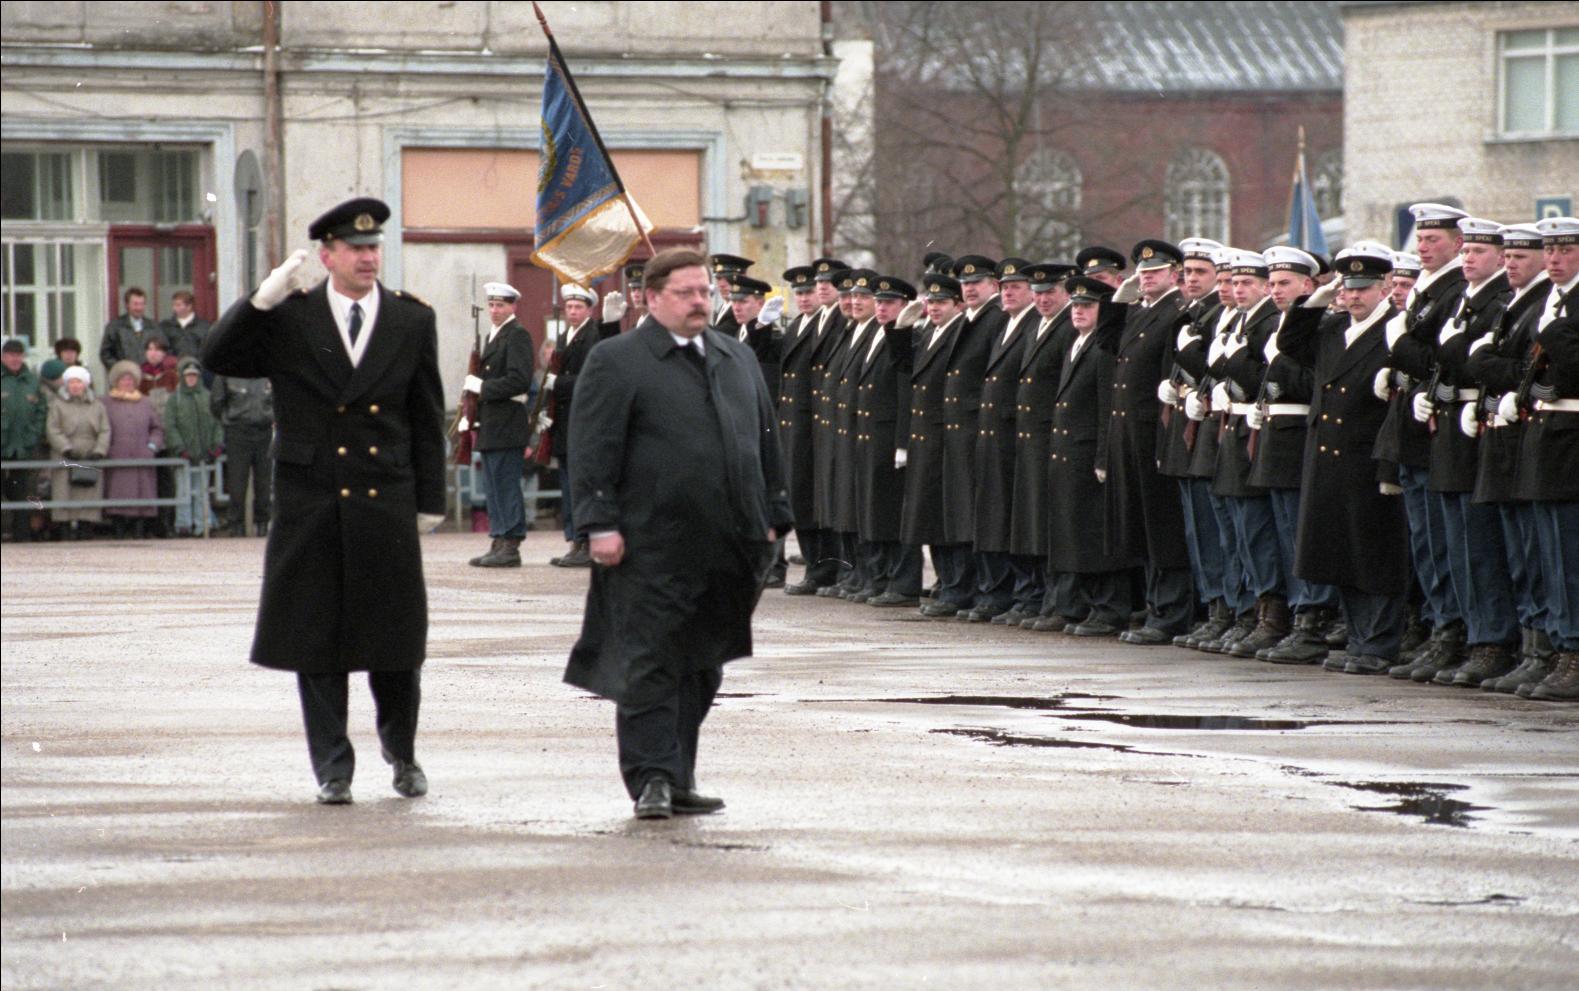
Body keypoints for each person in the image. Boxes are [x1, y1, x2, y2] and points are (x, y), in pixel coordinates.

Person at [202, 196, 447, 804]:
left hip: (383, 498)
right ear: (327, 255)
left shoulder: (410, 319)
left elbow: (424, 414)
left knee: (395, 644)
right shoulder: (292, 317)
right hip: (312, 500)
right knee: (317, 643)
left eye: (374, 248)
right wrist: (260, 301)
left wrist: (430, 498)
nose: (368, 257)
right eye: (355, 248)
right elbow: (218, 358)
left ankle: (402, 753)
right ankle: (333, 768)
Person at [565, 247, 792, 819]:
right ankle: (652, 779)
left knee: (703, 663)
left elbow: (765, 439)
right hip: (648, 542)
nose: (699, 302)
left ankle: (678, 774)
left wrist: (774, 514)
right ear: (651, 297)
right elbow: (591, 447)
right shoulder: (618, 359)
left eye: (705, 292)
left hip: (729, 541)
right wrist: (598, 523)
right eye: (686, 292)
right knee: (651, 662)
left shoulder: (734, 356)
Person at [1276, 243, 1410, 675]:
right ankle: (1357, 639)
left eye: (1363, 289)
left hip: (1368, 454)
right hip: (1329, 457)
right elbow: (1289, 344)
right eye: (1348, 289)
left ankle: (1380, 642)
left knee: (1376, 554)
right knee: (1341, 553)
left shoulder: (1394, 328)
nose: (1354, 297)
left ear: (1384, 287)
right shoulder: (1333, 328)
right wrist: (1313, 301)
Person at [546, 283, 619, 568]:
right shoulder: (565, 336)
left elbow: (593, 379)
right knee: (567, 484)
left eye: (578, 307)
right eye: (569, 307)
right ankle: (574, 540)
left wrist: (559, 384)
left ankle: (585, 541)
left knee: (581, 484)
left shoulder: (592, 335)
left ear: (589, 310)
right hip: (564, 421)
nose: (573, 311)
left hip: (583, 419)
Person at [463, 281, 536, 568]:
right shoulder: (494, 336)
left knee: (505, 485)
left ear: (512, 306)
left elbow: (519, 380)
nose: (494, 310)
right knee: (493, 487)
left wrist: (483, 387)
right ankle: (499, 538)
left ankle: (510, 544)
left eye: (500, 305)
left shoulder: (517, 335)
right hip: (492, 423)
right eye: (492, 305)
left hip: (506, 423)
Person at [46, 366, 110, 539]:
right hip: (65, 454)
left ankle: (86, 528)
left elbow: (105, 430)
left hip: (90, 453)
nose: (75, 386)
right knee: (63, 491)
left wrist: (99, 450)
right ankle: (64, 529)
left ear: (85, 384)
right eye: (72, 382)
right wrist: (65, 448)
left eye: (78, 382)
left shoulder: (97, 405)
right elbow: (52, 429)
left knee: (88, 491)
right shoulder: (57, 404)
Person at [102, 359, 164, 538]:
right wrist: (107, 448)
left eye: (130, 379)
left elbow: (157, 428)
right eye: (123, 379)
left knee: (141, 496)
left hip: (141, 457)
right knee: (117, 496)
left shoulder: (146, 402)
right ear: (116, 381)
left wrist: (151, 446)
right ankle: (119, 531)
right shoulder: (106, 402)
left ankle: (139, 531)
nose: (127, 382)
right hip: (116, 457)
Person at [163, 357, 222, 536]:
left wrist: (216, 445)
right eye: (188, 375)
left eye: (194, 375)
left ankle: (203, 525)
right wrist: (179, 448)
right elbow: (170, 426)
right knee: (184, 491)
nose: (191, 378)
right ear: (182, 376)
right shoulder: (175, 399)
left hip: (204, 454)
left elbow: (217, 423)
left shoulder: (208, 397)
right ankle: (183, 525)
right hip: (184, 456)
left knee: (202, 492)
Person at [211, 371, 275, 537]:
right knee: (237, 482)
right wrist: (228, 419)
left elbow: (279, 399)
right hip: (238, 431)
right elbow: (216, 403)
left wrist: (270, 416)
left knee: (264, 482)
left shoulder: (268, 370)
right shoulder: (227, 372)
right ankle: (236, 525)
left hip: (264, 431)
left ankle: (262, 523)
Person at [2, 338, 47, 542]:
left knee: (23, 493)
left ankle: (22, 536)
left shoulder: (32, 382)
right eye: (11, 355)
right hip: (3, 445)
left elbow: (41, 412)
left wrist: (32, 436)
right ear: (3, 357)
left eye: (18, 355)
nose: (15, 359)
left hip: (24, 447)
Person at [99, 287, 158, 372]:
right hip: (124, 375)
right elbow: (105, 354)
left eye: (142, 304)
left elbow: (163, 350)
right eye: (135, 304)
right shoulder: (115, 326)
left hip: (149, 375)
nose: (139, 308)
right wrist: (119, 369)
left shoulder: (153, 326)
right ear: (127, 305)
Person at [161, 290, 213, 362]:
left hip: (198, 365)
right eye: (173, 305)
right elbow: (162, 348)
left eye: (178, 305)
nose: (174, 308)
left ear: (189, 306)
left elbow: (208, 348)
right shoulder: (166, 326)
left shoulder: (204, 326)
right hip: (174, 366)